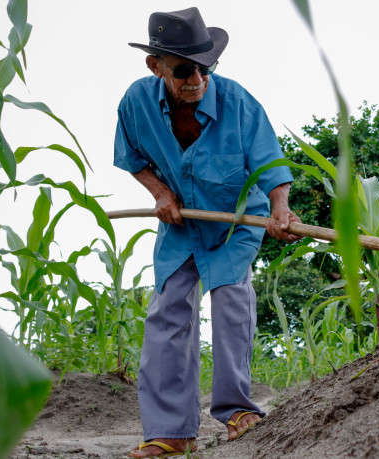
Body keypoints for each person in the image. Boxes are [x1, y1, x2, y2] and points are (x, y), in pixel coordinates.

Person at [113, 8, 301, 457]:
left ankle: (238, 411)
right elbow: (132, 155)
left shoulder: (238, 103)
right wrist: (160, 193)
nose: (197, 78)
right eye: (183, 69)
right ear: (155, 66)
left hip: (235, 220)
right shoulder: (136, 103)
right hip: (180, 222)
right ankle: (171, 433)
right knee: (167, 312)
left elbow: (271, 163)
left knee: (232, 300)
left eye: (205, 66)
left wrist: (281, 209)